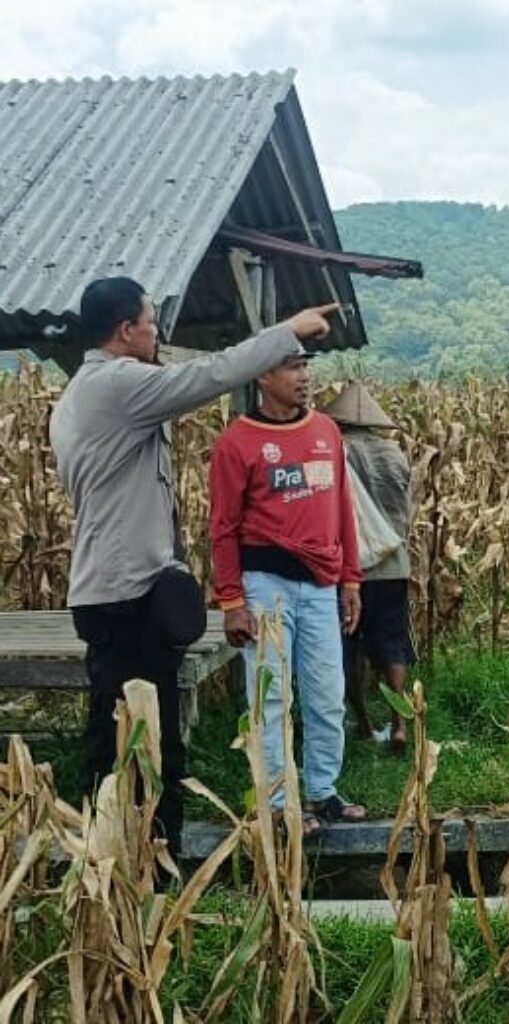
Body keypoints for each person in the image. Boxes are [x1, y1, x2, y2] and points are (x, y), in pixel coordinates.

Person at [49, 276, 338, 856]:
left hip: (115, 590)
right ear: (126, 331)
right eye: (152, 322)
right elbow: (210, 375)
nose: (158, 333)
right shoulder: (119, 384)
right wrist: (286, 331)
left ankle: (126, 856)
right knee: (136, 741)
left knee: (123, 732)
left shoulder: (80, 393)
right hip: (126, 595)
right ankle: (143, 863)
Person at [209, 350, 367, 836]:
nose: (304, 378)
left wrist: (350, 578)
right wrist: (232, 601)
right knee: (271, 695)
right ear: (263, 375)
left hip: (321, 583)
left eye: (305, 367)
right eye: (292, 368)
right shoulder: (237, 443)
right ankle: (277, 801)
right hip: (265, 585)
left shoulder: (325, 432)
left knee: (326, 693)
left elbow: (343, 507)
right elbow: (223, 527)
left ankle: (323, 791)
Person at [324, 383, 415, 755]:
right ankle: (400, 725)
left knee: (348, 646)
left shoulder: (335, 452)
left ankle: (362, 722)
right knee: (393, 644)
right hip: (394, 565)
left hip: (350, 570)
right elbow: (407, 510)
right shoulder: (395, 453)